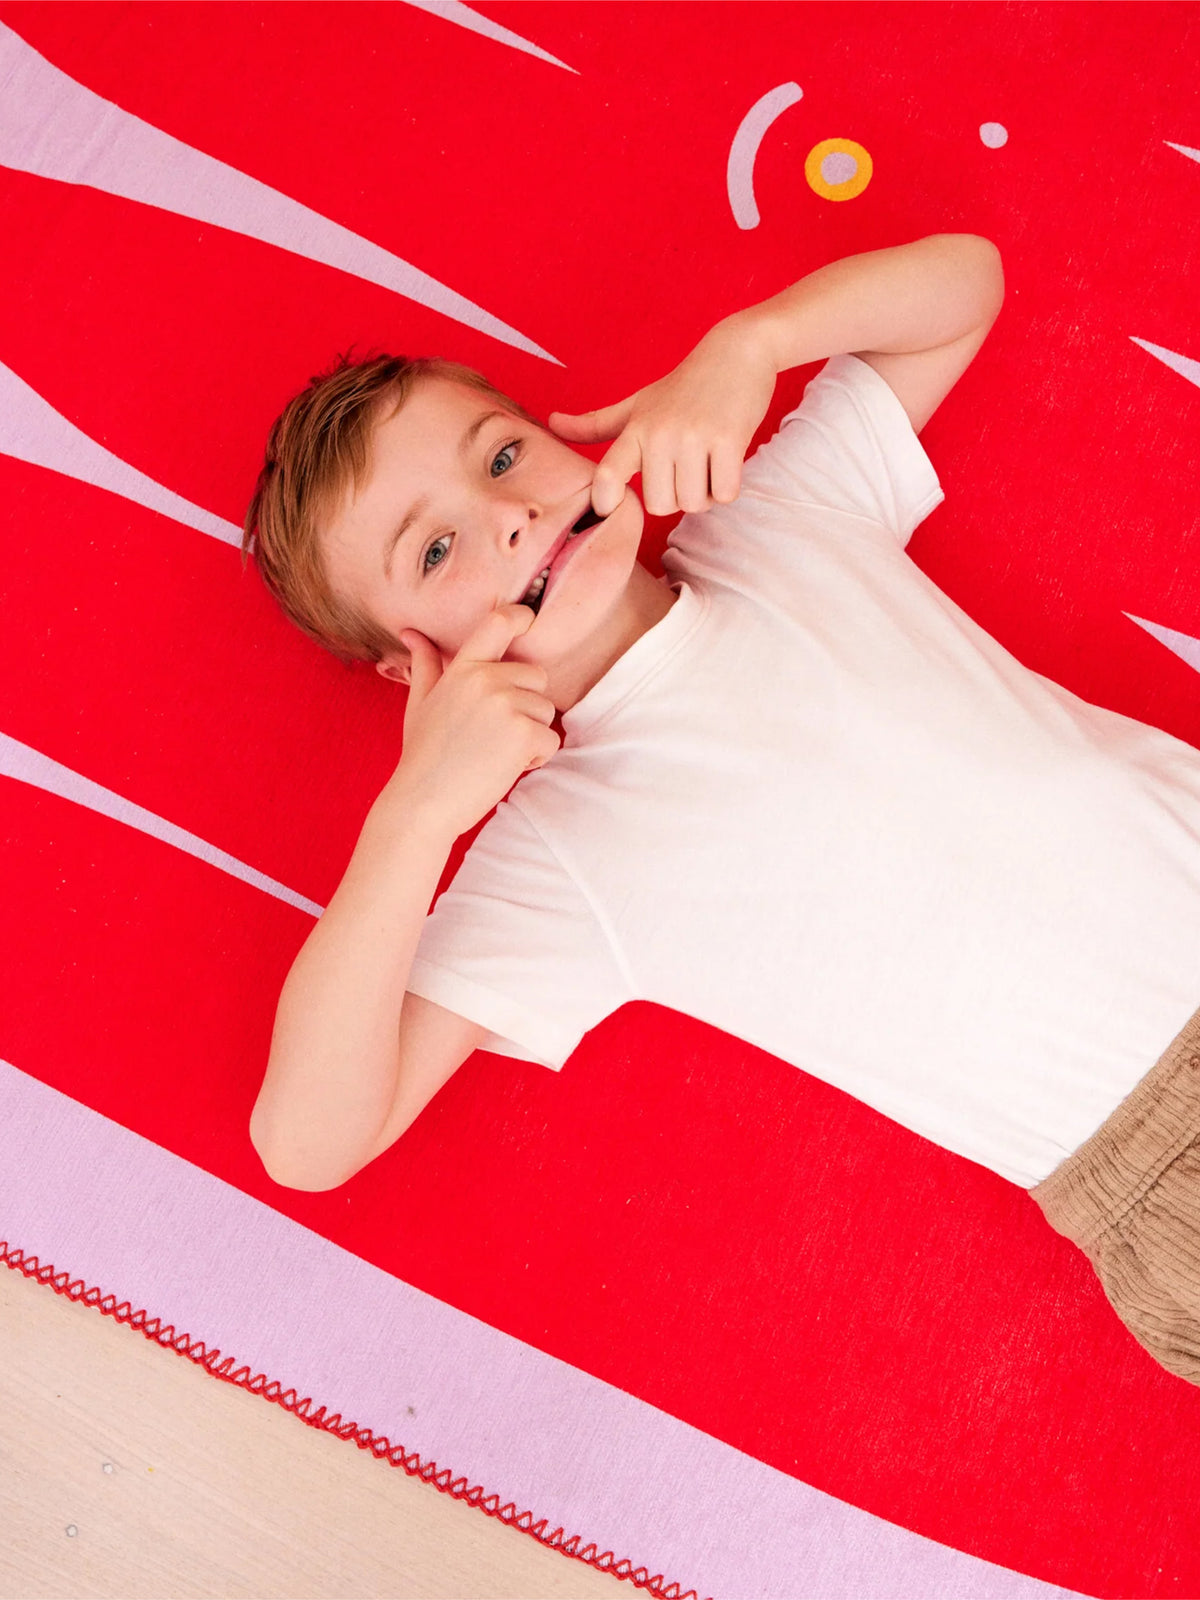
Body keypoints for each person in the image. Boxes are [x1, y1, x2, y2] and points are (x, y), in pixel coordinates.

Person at [243, 233, 1200, 1385]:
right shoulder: (556, 851)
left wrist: (756, 343)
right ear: (415, 668)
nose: (508, 515)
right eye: (437, 547)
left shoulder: (776, 514)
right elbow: (307, 1143)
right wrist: (414, 818)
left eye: (502, 455)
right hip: (1152, 1163)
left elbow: (967, 286)